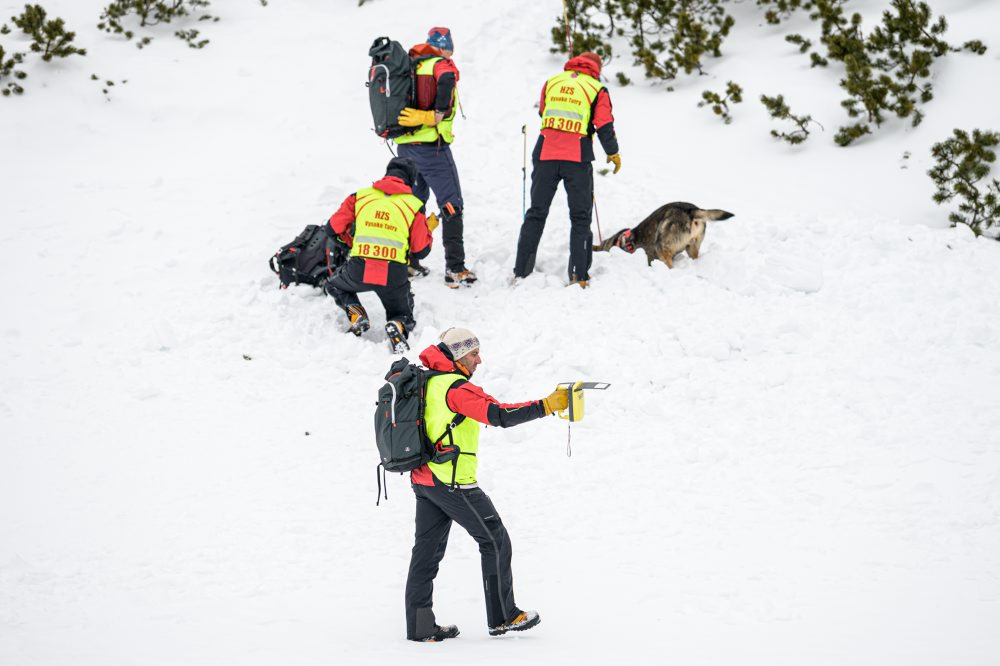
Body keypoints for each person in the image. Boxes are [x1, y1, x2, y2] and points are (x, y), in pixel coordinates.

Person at [404, 327, 569, 642]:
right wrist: (546, 405)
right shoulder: (456, 388)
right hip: (453, 482)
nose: (479, 360)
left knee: (425, 553)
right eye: (474, 353)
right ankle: (504, 617)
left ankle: (420, 624)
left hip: (425, 480)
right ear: (457, 354)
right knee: (494, 540)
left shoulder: (427, 383)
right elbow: (499, 415)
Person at [513, 51, 621, 288]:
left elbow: (543, 112)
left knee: (536, 212)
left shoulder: (552, 82)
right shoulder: (596, 89)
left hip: (545, 153)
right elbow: (604, 125)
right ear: (596, 69)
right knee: (580, 218)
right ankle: (579, 276)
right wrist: (612, 152)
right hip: (576, 157)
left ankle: (521, 271)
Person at [322, 157, 436, 353]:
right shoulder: (414, 205)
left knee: (333, 284)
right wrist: (428, 230)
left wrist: (349, 242)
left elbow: (332, 228)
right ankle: (397, 325)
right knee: (403, 313)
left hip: (359, 268)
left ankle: (356, 314)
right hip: (393, 275)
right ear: (410, 180)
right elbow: (421, 251)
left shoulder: (360, 197)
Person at [394, 27, 476, 289]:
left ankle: (407, 261)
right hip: (432, 149)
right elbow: (447, 79)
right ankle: (455, 268)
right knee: (452, 203)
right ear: (445, 47)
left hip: (405, 149)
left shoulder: (410, 65)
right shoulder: (439, 64)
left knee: (412, 203)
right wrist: (436, 114)